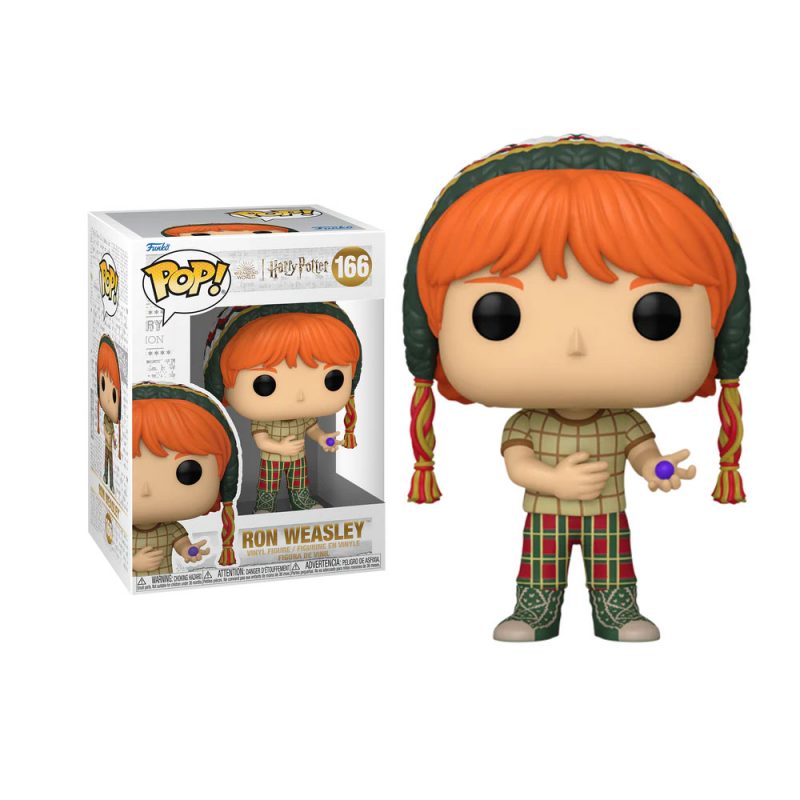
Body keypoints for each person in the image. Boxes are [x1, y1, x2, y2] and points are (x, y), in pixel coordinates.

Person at [403, 135, 750, 642]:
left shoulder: (623, 422)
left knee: (614, 567)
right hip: (546, 514)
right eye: (498, 315)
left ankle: (617, 612)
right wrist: (553, 480)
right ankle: (534, 612)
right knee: (539, 569)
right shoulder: (526, 423)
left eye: (654, 315)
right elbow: (518, 465)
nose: (576, 344)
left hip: (608, 515)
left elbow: (642, 451)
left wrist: (658, 468)